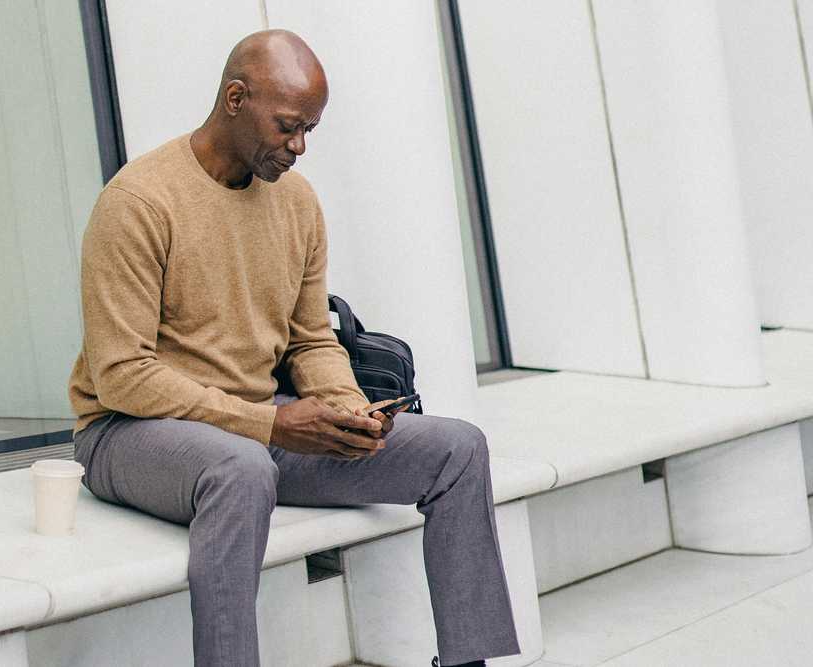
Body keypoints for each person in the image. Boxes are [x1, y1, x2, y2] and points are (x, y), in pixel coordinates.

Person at [68, 28, 519, 667]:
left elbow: (311, 337)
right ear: (235, 98)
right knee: (242, 470)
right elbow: (121, 375)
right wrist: (272, 422)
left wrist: (344, 407)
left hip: (261, 424)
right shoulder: (138, 202)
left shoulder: (298, 202)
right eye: (287, 126)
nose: (299, 146)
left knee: (457, 448)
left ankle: (468, 662)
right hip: (128, 432)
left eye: (310, 128)